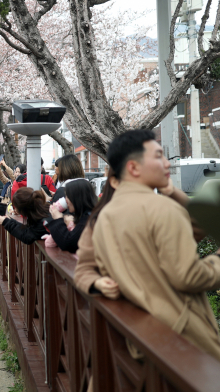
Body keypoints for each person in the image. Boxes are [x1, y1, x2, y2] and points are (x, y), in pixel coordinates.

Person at [90, 129, 220, 361]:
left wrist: (170, 191)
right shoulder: (163, 210)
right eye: (158, 156)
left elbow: (194, 229)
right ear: (134, 167)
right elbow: (188, 277)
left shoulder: (105, 217)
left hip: (140, 339)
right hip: (183, 341)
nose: (167, 163)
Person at [46, 179, 96, 253]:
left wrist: (58, 219)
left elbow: (68, 243)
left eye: (68, 196)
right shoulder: (89, 215)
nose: (65, 200)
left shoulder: (88, 220)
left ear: (77, 197)